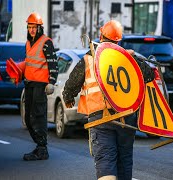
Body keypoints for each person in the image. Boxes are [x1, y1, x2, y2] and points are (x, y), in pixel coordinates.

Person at [62, 20, 155, 180]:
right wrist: (133, 57)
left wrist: (68, 97)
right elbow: (149, 75)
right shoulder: (127, 57)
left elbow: (72, 84)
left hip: (101, 119)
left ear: (101, 36)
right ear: (118, 40)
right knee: (124, 160)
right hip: (126, 118)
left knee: (106, 159)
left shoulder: (90, 58)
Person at [22, 12, 58, 161]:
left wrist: (52, 82)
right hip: (29, 84)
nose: (31, 30)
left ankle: (42, 148)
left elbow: (53, 63)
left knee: (38, 116)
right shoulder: (28, 43)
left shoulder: (46, 42)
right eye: (29, 27)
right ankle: (39, 146)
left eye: (34, 27)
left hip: (40, 85)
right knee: (28, 117)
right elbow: (28, 63)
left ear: (39, 28)